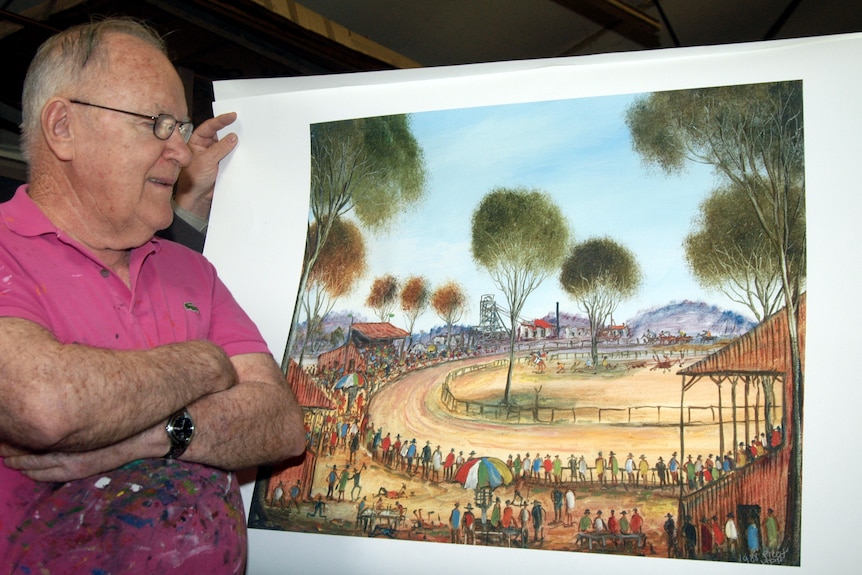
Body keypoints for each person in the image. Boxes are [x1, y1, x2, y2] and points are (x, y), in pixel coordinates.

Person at [0, 18, 304, 574]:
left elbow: (280, 421)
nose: (183, 153)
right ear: (63, 127)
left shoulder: (191, 272)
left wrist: (157, 434)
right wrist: (204, 362)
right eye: (159, 124)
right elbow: (43, 403)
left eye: (181, 126)